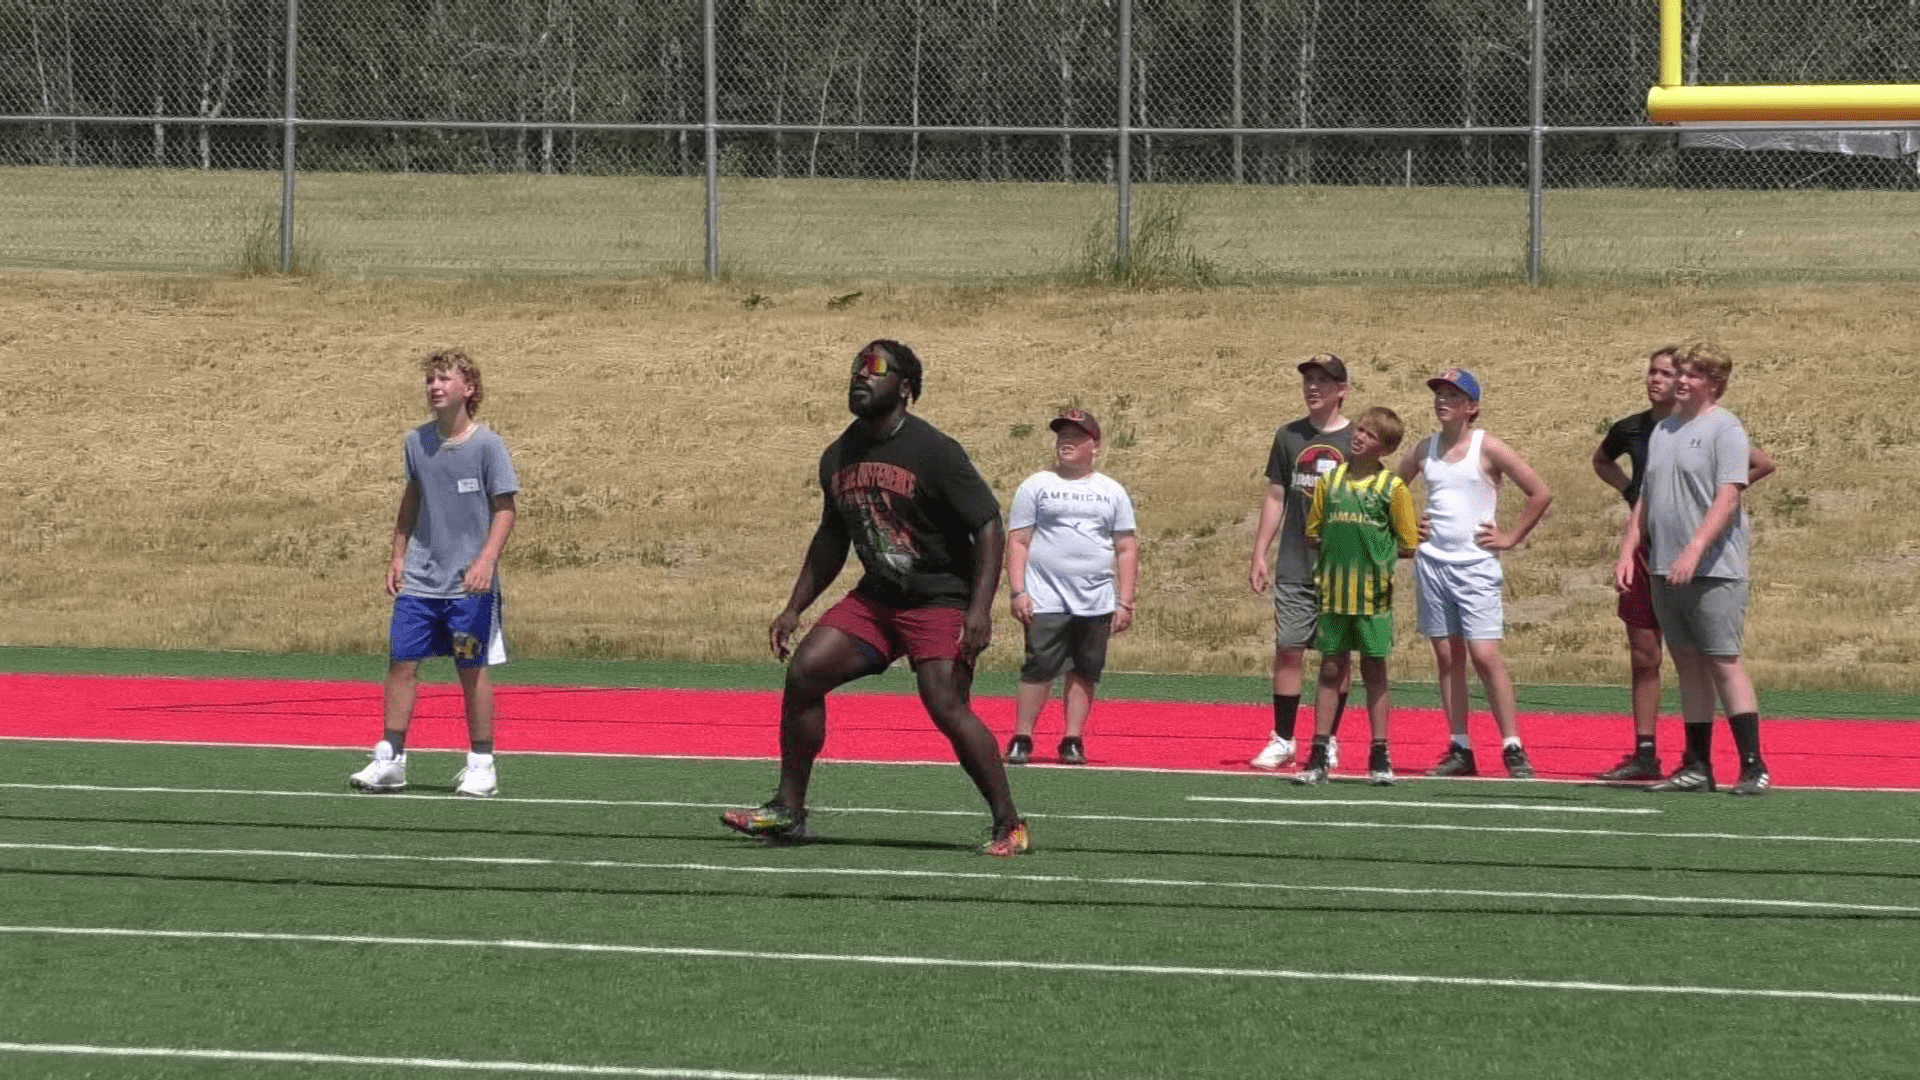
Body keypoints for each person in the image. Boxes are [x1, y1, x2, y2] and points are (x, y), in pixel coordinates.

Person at [722, 340, 1029, 855]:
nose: (861, 377)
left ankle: (1010, 824)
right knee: (805, 672)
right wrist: (794, 606)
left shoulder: (934, 451)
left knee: (945, 704)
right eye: (855, 369)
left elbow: (989, 524)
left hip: (939, 598)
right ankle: (788, 812)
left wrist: (979, 611)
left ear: (905, 389)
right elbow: (830, 539)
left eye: (876, 369)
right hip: (879, 599)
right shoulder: (838, 455)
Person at [1592, 346, 1775, 781]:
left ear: (1713, 384)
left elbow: (1729, 495)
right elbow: (1646, 498)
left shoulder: (1725, 428)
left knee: (1723, 660)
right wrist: (1628, 549)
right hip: (1663, 566)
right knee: (1687, 663)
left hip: (1712, 568)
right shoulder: (1664, 431)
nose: (1681, 381)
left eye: (1692, 375)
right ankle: (1697, 764)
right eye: (1682, 374)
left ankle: (1753, 765)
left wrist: (1694, 549)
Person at [350, 350, 519, 798]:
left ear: (469, 389)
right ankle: (391, 758)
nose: (435, 386)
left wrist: (485, 561)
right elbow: (412, 498)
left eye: (445, 379)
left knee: (470, 666)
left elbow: (505, 509)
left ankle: (482, 762)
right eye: (430, 379)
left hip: (468, 587)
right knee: (402, 663)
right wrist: (398, 554)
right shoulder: (416, 442)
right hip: (421, 582)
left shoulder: (488, 446)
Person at [1394, 368, 1552, 779]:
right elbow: (1391, 488)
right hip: (1432, 564)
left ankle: (1512, 745)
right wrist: (1408, 529)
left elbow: (1540, 492)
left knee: (1485, 655)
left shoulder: (1488, 446)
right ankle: (1460, 746)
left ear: (1472, 407)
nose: (1442, 401)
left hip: (1475, 565)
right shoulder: (1425, 448)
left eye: (1452, 395)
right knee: (1448, 657)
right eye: (1439, 394)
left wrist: (1511, 536)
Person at [1002, 408, 1139, 767]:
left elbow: (1126, 547)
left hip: (1095, 598)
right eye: (1062, 435)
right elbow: (1018, 540)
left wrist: (1125, 601)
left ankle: (1072, 739)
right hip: (1045, 595)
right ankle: (1022, 737)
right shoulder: (1036, 485)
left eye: (1076, 437)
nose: (1066, 442)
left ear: (1094, 445)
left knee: (1084, 669)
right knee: (1040, 665)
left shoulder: (1111, 491)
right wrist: (1018, 590)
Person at [1292, 407, 1419, 786]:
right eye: (1359, 429)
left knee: (1375, 670)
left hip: (1373, 597)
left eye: (1370, 434)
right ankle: (1318, 753)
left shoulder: (1393, 489)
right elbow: (1312, 533)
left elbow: (1408, 544)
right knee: (1331, 669)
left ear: (1386, 447)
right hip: (1334, 594)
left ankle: (1380, 753)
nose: (1359, 436)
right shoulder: (1330, 484)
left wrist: (1374, 556)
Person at [1248, 354, 1355, 771]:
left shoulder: (1356, 440)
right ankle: (1284, 737)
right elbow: (1276, 496)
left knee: (1336, 655)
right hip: (1296, 563)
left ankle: (1326, 739)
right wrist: (1260, 551)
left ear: (1342, 390)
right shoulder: (1289, 436)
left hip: (1341, 566)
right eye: (1309, 380)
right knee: (1288, 648)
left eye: (1323, 381)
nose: (1313, 388)